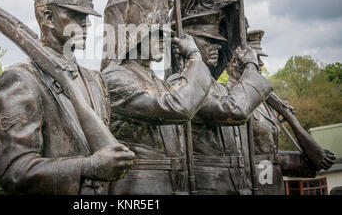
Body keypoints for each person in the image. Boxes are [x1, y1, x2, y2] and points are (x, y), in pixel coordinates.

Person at [0, 0, 134, 194]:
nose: (86, 24)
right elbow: (14, 172)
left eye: (87, 17)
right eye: (76, 15)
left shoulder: (95, 81)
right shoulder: (20, 79)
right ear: (48, 17)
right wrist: (90, 166)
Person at [102, 27, 212, 195]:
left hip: (169, 185)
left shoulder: (156, 81)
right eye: (156, 35)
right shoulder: (116, 78)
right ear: (134, 38)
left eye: (165, 35)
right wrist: (195, 57)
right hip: (138, 189)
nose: (163, 40)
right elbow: (179, 107)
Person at [227, 30, 335, 194]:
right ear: (236, 63)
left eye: (260, 58)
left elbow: (266, 152)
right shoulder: (232, 99)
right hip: (249, 187)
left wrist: (291, 120)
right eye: (256, 59)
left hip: (271, 185)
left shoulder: (266, 102)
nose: (261, 64)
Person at [180, 11, 272, 195]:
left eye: (217, 42)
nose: (216, 47)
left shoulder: (220, 89)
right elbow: (234, 110)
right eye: (208, 41)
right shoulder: (183, 87)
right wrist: (250, 67)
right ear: (187, 45)